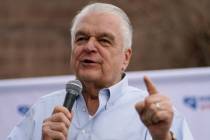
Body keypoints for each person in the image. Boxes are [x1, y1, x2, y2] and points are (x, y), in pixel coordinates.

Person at [7, 2, 193, 140]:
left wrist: (162, 137)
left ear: (125, 58)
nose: (89, 47)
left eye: (104, 40)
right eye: (81, 38)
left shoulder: (155, 116)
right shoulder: (44, 109)